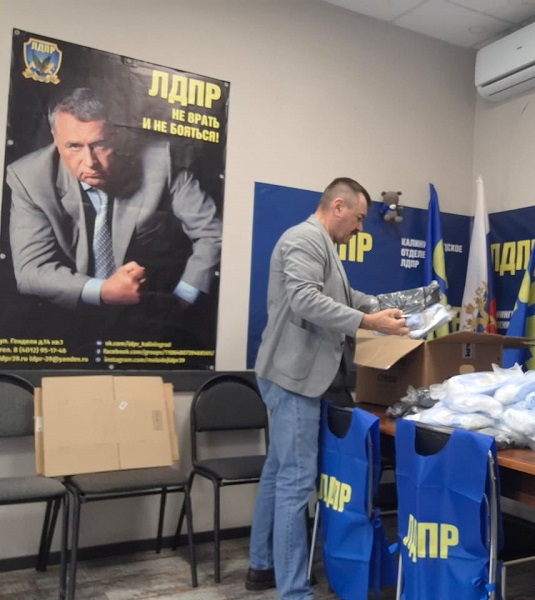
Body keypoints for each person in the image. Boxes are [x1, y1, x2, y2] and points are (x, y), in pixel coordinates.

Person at [247, 177, 409, 599]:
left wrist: (379, 307)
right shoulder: (304, 239)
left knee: (279, 474)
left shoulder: (322, 245)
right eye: (358, 218)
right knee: (296, 483)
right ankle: (294, 592)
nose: (360, 228)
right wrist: (368, 322)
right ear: (338, 206)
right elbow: (304, 299)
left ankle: (262, 566)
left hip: (294, 377)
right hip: (295, 380)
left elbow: (342, 295)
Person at [3, 87, 221, 328]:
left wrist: (185, 296)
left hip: (149, 315)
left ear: (117, 136)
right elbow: (32, 270)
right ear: (55, 138)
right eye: (74, 146)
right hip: (66, 317)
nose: (89, 162)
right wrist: (103, 290)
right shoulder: (29, 178)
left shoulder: (161, 161)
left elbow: (212, 232)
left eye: (100, 144)